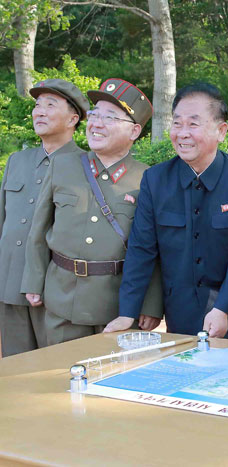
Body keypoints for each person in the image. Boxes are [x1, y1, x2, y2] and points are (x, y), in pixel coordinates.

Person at [104, 83, 228, 340]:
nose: (182, 133)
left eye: (193, 124)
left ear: (221, 131)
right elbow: (142, 248)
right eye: (177, 123)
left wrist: (222, 308)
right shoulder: (155, 180)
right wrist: (128, 312)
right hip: (181, 313)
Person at [21, 78, 162, 345]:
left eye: (110, 117)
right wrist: (33, 281)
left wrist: (151, 304)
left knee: (110, 380)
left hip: (117, 305)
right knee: (59, 377)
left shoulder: (148, 179)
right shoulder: (63, 165)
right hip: (61, 298)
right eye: (95, 114)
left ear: (133, 131)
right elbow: (38, 230)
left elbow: (153, 250)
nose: (96, 123)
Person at [0, 79, 89, 356]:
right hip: (9, 285)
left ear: (73, 118)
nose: (40, 111)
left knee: (56, 367)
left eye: (51, 105)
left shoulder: (87, 167)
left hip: (55, 291)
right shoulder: (18, 160)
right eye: (37, 105)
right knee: (14, 369)